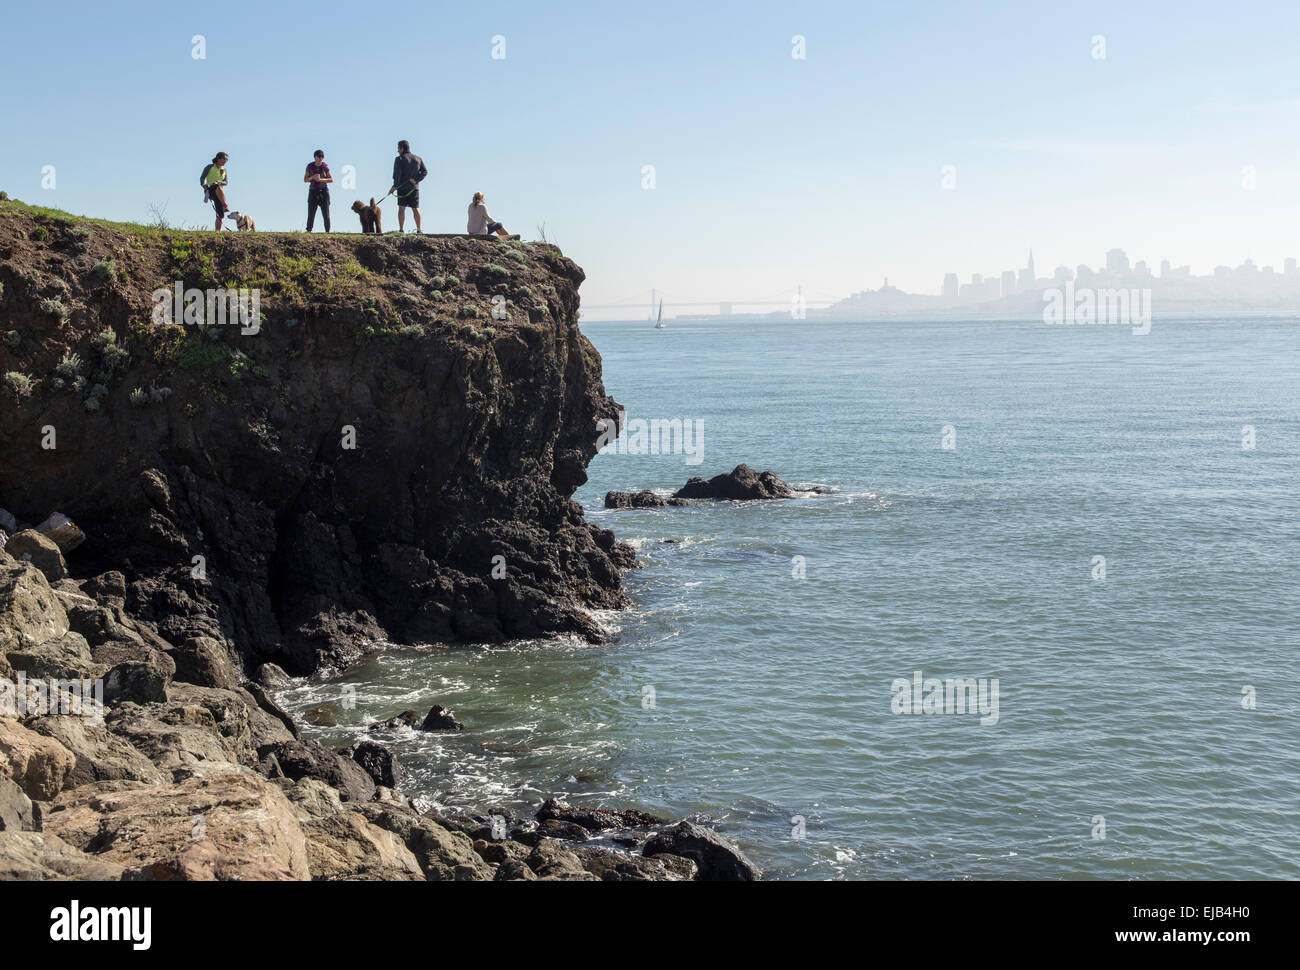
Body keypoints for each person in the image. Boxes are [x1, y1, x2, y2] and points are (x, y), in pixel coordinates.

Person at [389, 140, 427, 233]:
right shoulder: (418, 158)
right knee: (416, 208)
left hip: (402, 188)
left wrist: (394, 186)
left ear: (402, 148)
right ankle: (419, 230)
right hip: (414, 188)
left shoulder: (399, 159)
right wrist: (416, 180)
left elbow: (397, 175)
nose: (397, 150)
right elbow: (425, 171)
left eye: (398, 148)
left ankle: (401, 229)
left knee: (401, 208)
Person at [304, 149, 333, 232]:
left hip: (323, 191)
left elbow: (331, 179)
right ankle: (309, 230)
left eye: (322, 157)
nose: (320, 158)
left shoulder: (325, 167)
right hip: (313, 191)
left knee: (326, 213)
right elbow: (305, 179)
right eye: (319, 156)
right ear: (315, 157)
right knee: (311, 212)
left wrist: (321, 179)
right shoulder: (310, 166)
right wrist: (313, 177)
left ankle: (327, 231)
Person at [201, 152, 229, 231]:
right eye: (224, 159)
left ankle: (217, 232)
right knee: (217, 186)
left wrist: (219, 182)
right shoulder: (210, 167)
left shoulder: (224, 170)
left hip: (219, 194)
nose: (225, 161)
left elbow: (226, 182)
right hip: (210, 190)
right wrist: (203, 184)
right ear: (218, 158)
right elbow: (202, 177)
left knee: (220, 215)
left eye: (226, 159)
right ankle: (225, 205)